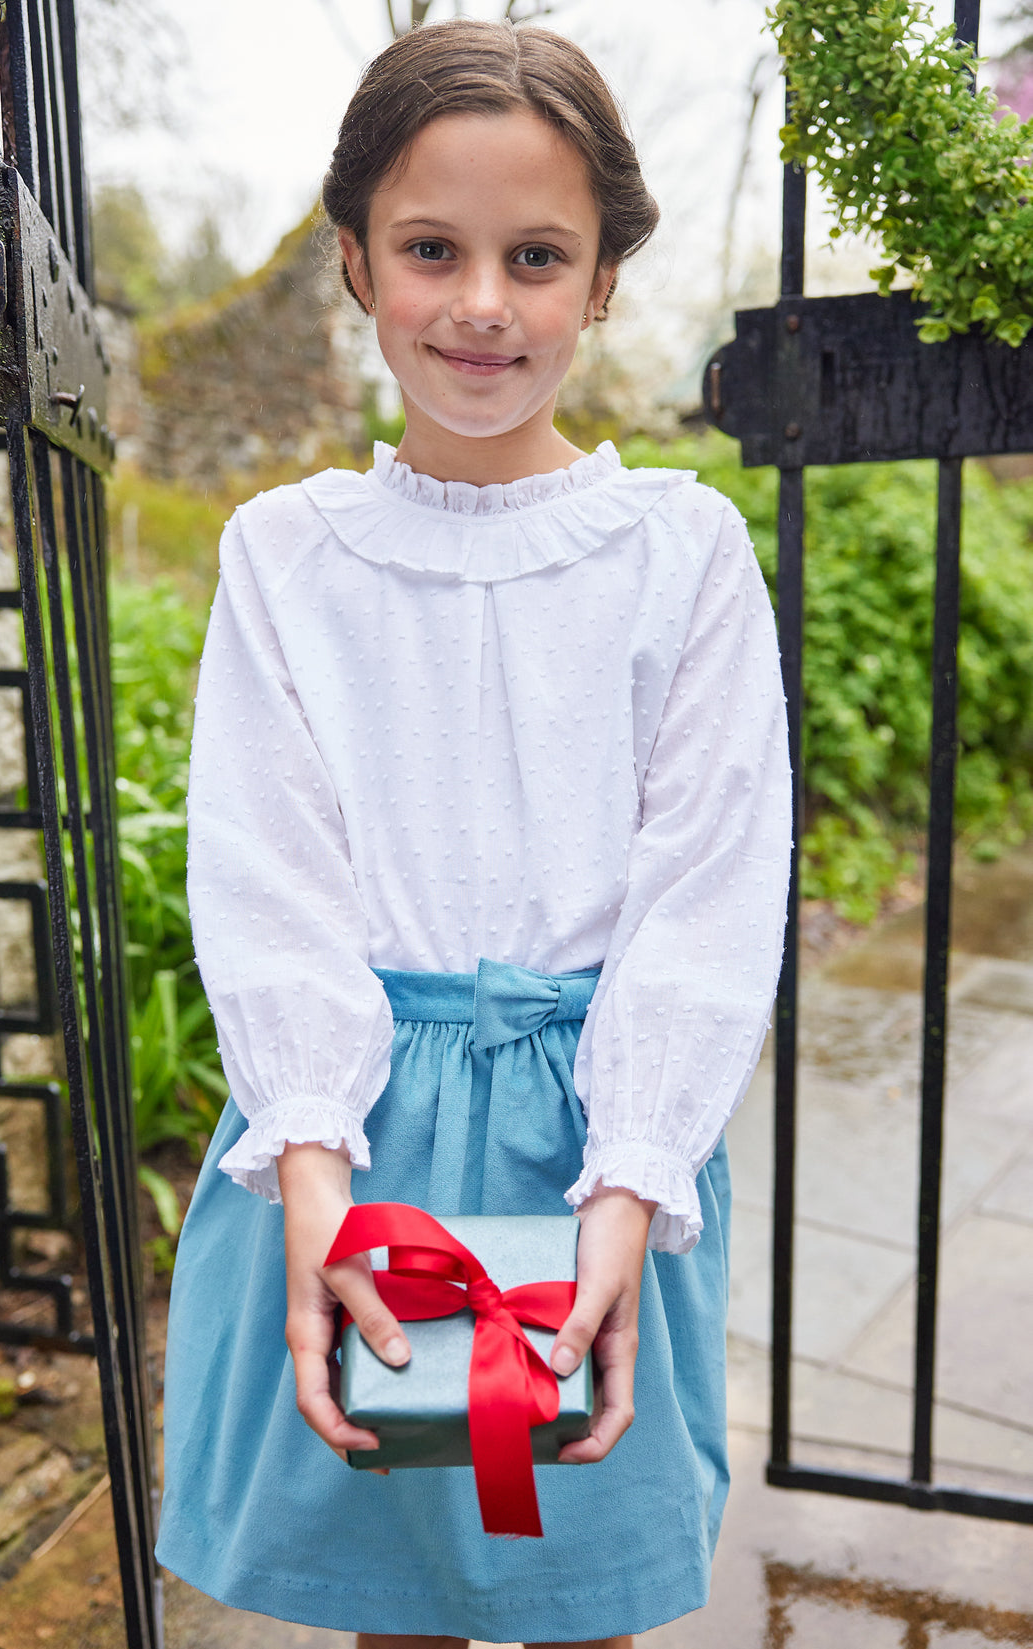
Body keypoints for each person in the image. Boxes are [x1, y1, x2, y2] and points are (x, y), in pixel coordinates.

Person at [156, 18, 792, 1648]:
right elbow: (266, 874)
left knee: (581, 1570)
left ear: (602, 282)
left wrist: (631, 1176)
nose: (484, 303)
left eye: (537, 254)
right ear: (359, 262)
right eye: (433, 249)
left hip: (596, 1136)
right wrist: (312, 1170)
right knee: (403, 1597)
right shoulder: (285, 557)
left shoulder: (684, 553)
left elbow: (711, 887)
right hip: (360, 1134)